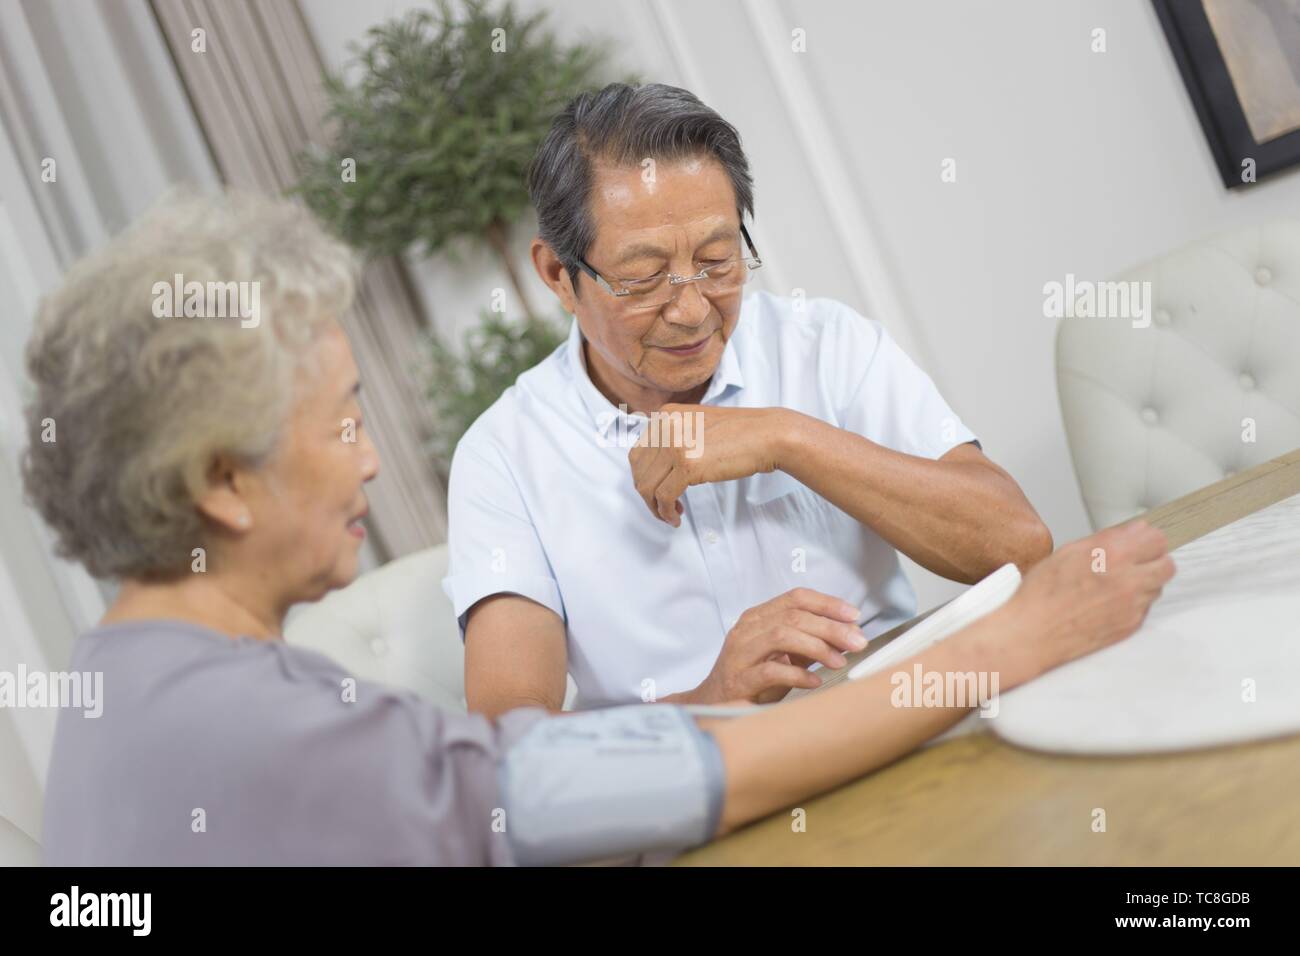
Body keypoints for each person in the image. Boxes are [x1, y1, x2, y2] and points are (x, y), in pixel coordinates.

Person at [27, 190, 1172, 866]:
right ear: (225, 480)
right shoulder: (243, 723)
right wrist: (1010, 645)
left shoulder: (129, 683)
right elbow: (584, 776)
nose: (372, 454)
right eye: (341, 420)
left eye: (717, 257)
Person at [445, 83, 1056, 716]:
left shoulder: (823, 344)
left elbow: (1019, 544)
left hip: (895, 719)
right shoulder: (503, 456)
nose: (690, 311)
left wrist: (783, 438)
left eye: (717, 260)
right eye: (644, 278)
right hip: (693, 791)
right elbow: (510, 743)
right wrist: (712, 701)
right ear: (557, 276)